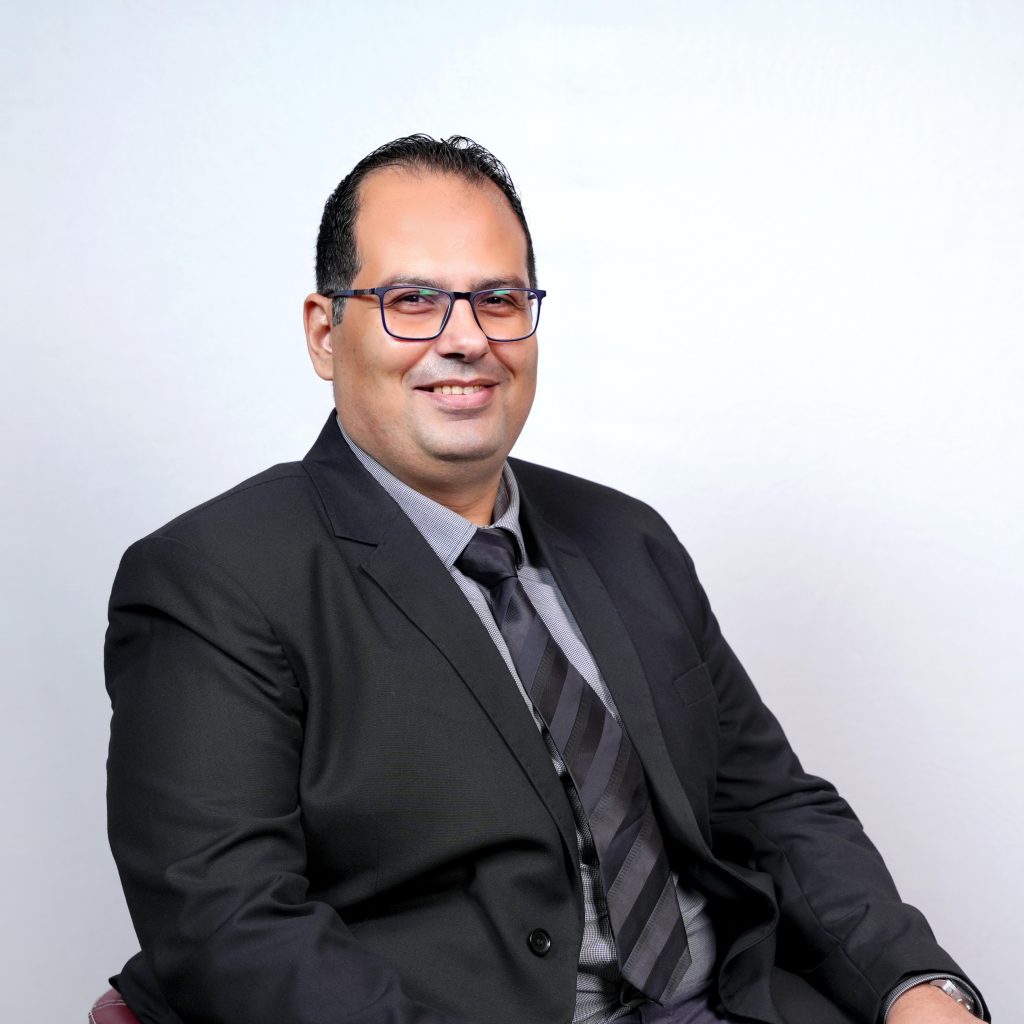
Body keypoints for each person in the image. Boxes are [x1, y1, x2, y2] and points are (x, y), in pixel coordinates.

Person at [105, 135, 988, 1024]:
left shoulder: (628, 538)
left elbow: (771, 806)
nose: (466, 340)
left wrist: (917, 985)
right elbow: (230, 925)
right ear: (325, 333)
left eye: (498, 299)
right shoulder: (211, 580)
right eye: (413, 300)